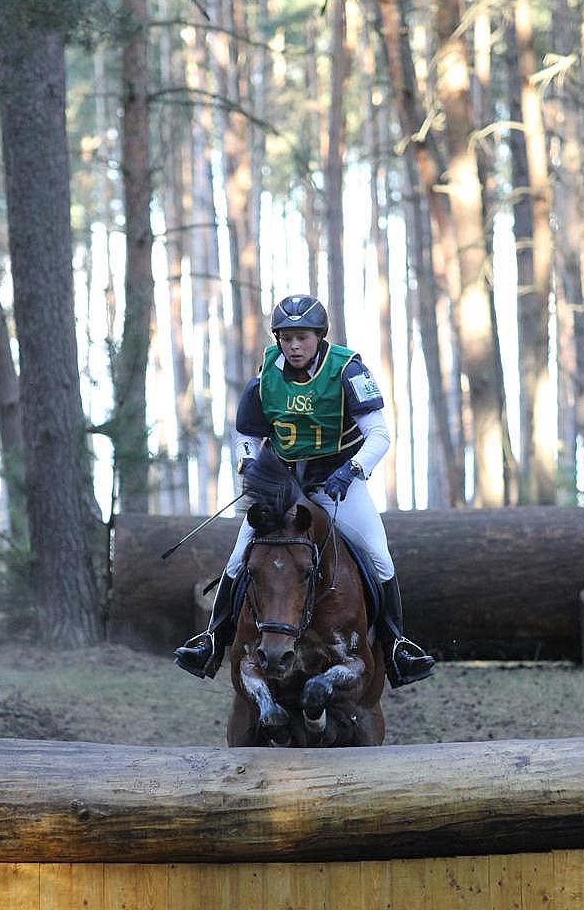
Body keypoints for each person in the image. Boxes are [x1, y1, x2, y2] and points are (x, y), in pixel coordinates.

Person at [174, 293, 435, 688]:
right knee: (237, 558)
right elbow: (246, 433)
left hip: (337, 482)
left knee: (378, 555)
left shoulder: (348, 370)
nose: (294, 346)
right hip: (282, 485)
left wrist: (352, 470)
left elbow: (379, 435)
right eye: (287, 338)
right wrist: (248, 463)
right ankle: (211, 641)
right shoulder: (264, 378)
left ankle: (397, 646)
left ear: (319, 337)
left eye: (303, 338)